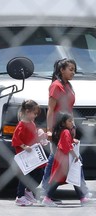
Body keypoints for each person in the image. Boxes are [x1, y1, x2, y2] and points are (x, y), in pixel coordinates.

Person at [41, 58, 90, 199]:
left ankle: (45, 190)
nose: (73, 72)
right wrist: (49, 129)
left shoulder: (68, 85)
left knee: (54, 158)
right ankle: (83, 192)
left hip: (67, 127)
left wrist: (72, 126)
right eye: (70, 69)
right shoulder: (56, 86)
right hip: (58, 129)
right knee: (74, 158)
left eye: (74, 70)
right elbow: (50, 110)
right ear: (61, 70)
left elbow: (70, 109)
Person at [42, 112, 90, 207]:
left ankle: (82, 198)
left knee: (74, 177)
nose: (72, 123)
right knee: (60, 179)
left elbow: (67, 141)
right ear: (63, 123)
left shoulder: (65, 132)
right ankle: (47, 198)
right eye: (69, 121)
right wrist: (75, 155)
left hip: (65, 159)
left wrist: (73, 140)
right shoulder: (66, 132)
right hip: (65, 160)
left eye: (72, 120)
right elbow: (66, 146)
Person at [12, 100, 46, 206]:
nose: (35, 116)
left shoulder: (32, 123)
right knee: (25, 175)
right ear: (27, 112)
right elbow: (15, 140)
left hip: (33, 155)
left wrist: (41, 139)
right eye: (34, 113)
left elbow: (34, 136)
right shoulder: (21, 125)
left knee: (39, 172)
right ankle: (20, 196)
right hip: (24, 155)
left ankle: (28, 190)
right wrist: (24, 146)